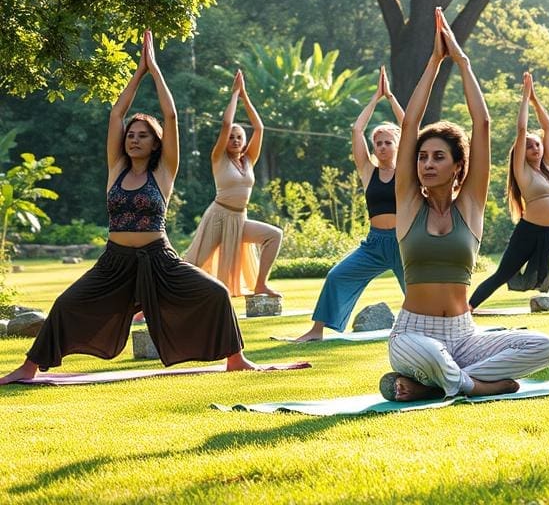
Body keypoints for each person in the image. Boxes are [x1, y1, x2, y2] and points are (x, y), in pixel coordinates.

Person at [1, 32, 300, 385]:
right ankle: (29, 367)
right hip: (115, 262)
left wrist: (155, 70)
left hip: (159, 259)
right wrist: (137, 72)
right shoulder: (116, 168)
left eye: (143, 135)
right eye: (131, 134)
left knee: (216, 293)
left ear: (156, 143)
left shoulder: (164, 172)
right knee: (67, 303)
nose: (133, 138)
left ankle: (236, 358)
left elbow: (170, 117)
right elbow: (117, 113)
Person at [380, 9, 549, 402]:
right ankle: (473, 385)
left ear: (458, 165)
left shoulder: (470, 206)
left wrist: (462, 62)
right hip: (413, 333)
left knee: (545, 346)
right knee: (428, 353)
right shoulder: (410, 203)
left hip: (465, 334)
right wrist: (434, 62)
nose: (427, 163)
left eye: (438, 157)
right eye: (423, 157)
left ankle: (433, 385)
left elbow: (483, 125)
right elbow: (409, 126)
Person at [469, 72, 549, 309]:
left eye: (536, 144)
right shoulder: (523, 172)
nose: (535, 148)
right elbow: (521, 130)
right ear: (522, 151)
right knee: (501, 275)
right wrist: (524, 98)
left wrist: (536, 99)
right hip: (527, 234)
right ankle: (467, 309)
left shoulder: (548, 167)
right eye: (529, 146)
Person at [294, 67, 406, 342]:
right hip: (375, 243)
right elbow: (357, 129)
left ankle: (446, 330)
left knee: (420, 291)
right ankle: (316, 331)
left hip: (405, 242)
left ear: (397, 145)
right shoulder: (368, 172)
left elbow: (411, 127)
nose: (381, 147)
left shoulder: (407, 170)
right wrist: (375, 98)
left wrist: (390, 98)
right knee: (336, 275)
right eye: (377, 143)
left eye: (387, 142)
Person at [183, 70, 282, 297]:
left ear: (244, 141)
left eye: (239, 137)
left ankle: (260, 285)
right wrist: (235, 95)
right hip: (218, 217)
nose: (235, 139)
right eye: (231, 137)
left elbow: (259, 128)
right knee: (192, 263)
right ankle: (151, 305)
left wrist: (246, 96)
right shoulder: (218, 158)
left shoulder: (248, 160)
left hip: (240, 218)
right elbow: (227, 123)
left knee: (274, 235)